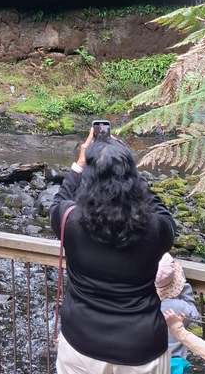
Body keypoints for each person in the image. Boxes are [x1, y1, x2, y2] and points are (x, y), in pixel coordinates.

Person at [50, 128, 175, 373]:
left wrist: (80, 162)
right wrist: (129, 171)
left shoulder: (69, 220)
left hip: (80, 344)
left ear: (88, 177)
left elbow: (58, 200)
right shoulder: (154, 228)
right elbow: (164, 216)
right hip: (141, 348)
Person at [157, 253, 199, 374]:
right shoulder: (180, 307)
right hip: (176, 366)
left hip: (150, 362)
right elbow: (194, 315)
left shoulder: (144, 305)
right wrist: (184, 285)